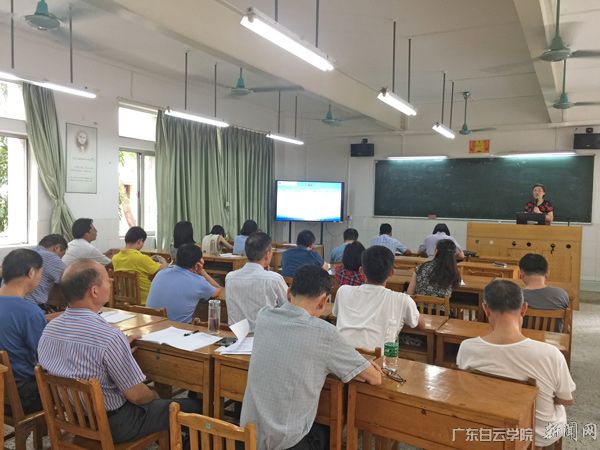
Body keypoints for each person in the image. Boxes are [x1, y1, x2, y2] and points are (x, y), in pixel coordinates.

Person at [38, 260, 201, 443]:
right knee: (192, 407)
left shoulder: (49, 329)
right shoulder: (109, 337)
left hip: (74, 417)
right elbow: (138, 396)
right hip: (115, 424)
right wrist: (156, 396)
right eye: (107, 279)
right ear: (94, 291)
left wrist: (117, 352)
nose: (111, 282)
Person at [240, 265, 382, 450]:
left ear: (288, 293)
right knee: (332, 425)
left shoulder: (264, 316)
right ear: (323, 302)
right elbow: (374, 378)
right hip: (287, 444)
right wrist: (367, 365)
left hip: (247, 438)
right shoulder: (325, 333)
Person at [457, 279, 575, 448]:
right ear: (524, 309)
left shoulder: (466, 347)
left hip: (487, 428)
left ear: (485, 309)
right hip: (537, 434)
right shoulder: (551, 354)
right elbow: (566, 399)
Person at [333, 245, 423, 351]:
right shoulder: (403, 300)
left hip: (341, 355)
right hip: (378, 360)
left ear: (361, 271)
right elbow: (422, 325)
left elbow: (336, 315)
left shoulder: (343, 291)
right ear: (392, 272)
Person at [0, 249, 46, 414]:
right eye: (40, 273)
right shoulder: (29, 312)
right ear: (31, 272)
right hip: (24, 393)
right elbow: (44, 357)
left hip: (4, 388)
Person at [225, 232, 288, 331]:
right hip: (265, 336)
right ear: (267, 254)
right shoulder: (274, 279)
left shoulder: (230, 277)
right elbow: (289, 308)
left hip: (236, 335)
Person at [147, 243, 222, 323]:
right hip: (177, 328)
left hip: (149, 324)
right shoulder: (198, 282)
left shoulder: (161, 273)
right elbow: (218, 290)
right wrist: (202, 272)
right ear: (198, 264)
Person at [112, 226, 168, 305]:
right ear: (139, 241)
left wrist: (149, 260)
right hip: (145, 300)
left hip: (125, 300)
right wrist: (164, 261)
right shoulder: (142, 258)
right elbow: (164, 269)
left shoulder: (115, 258)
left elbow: (133, 264)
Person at [519, 253, 569, 331]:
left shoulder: (515, 296)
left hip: (524, 337)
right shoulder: (561, 294)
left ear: (521, 273)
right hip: (553, 338)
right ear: (547, 273)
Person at [25, 234, 68, 312]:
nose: (60, 259)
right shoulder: (50, 257)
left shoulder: (28, 252)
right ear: (56, 248)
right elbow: (72, 280)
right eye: (61, 256)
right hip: (32, 307)